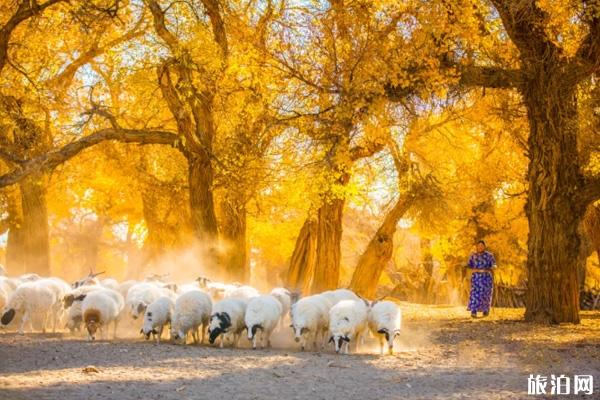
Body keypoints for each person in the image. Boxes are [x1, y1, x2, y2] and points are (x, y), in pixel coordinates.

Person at [466, 240, 497, 318]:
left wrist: (494, 267)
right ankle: (473, 312)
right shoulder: (473, 256)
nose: (480, 247)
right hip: (476, 277)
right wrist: (470, 268)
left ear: (484, 247)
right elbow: (469, 265)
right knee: (475, 294)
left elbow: (494, 264)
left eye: (482, 246)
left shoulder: (489, 255)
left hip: (486, 277)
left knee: (486, 294)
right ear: (476, 247)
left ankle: (485, 310)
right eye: (478, 246)